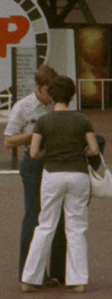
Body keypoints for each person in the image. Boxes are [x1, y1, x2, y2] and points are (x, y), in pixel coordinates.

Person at [21, 76, 99, 292]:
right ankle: (78, 280)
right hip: (78, 175)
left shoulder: (43, 121)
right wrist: (79, 151)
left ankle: (30, 278)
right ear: (72, 96)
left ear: (52, 96)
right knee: (75, 228)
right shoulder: (82, 119)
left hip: (52, 175)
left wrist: (50, 152)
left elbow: (35, 152)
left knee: (45, 225)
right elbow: (93, 150)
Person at [5, 64, 62, 282]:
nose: (52, 96)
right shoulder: (23, 107)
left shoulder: (57, 104)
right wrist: (34, 134)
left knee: (57, 216)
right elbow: (8, 140)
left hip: (55, 160)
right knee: (34, 216)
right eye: (48, 91)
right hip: (33, 164)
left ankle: (57, 271)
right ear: (37, 87)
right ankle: (29, 273)